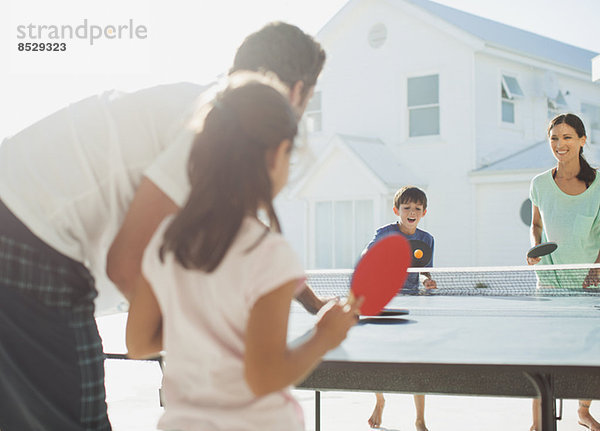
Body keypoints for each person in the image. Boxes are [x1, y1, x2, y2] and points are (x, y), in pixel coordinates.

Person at [0, 22, 327, 430]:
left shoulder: (215, 119)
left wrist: (314, 303)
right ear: (295, 92)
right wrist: (211, 335)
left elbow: (241, 244)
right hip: (24, 237)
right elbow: (126, 263)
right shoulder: (208, 128)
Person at [125, 79, 361, 430]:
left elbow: (139, 343)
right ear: (276, 155)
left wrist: (200, 326)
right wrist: (325, 336)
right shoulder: (269, 254)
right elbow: (264, 377)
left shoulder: (166, 240)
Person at [527, 113, 600, 431]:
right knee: (545, 354)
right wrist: (534, 249)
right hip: (550, 281)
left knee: (591, 352)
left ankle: (583, 410)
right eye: (554, 138)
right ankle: (537, 423)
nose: (560, 144)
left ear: (582, 140)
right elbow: (537, 224)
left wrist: (597, 270)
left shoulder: (599, 183)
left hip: (590, 281)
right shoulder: (540, 183)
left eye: (568, 137)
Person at [363, 186, 436, 431]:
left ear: (424, 212)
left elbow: (426, 271)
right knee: (378, 358)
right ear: (397, 210)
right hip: (384, 302)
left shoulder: (427, 240)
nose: (411, 212)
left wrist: (427, 281)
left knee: (418, 360)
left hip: (412, 303)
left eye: (417, 208)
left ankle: (419, 419)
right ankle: (380, 400)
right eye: (407, 208)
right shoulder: (384, 234)